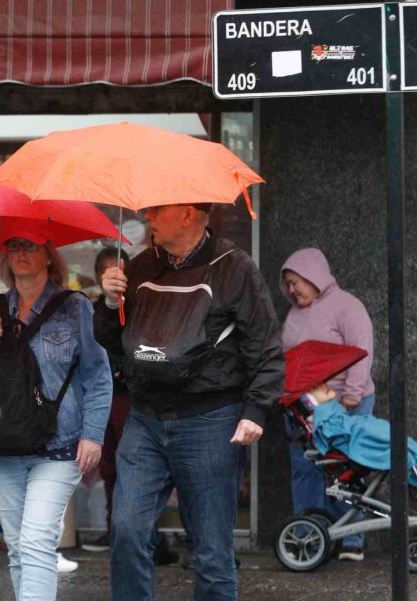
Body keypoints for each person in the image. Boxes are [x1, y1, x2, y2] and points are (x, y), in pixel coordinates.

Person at [96, 204, 284, 601]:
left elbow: (265, 346)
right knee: (126, 531)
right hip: (144, 418)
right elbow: (114, 343)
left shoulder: (236, 268)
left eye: (157, 209)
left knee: (212, 551)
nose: (147, 216)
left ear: (186, 214)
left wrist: (256, 410)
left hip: (210, 420)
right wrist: (110, 304)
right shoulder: (142, 267)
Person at [0, 233, 112, 601]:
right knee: (17, 547)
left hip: (58, 443)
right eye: (13, 246)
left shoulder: (75, 306)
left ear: (48, 255)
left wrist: (93, 434)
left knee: (36, 541)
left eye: (31, 246)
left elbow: (98, 375)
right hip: (4, 444)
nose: (21, 253)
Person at [81, 247, 179, 566]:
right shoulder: (96, 309)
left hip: (129, 396)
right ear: (99, 276)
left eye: (120, 270)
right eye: (108, 271)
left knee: (135, 470)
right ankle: (115, 529)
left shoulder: (140, 303)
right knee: (108, 467)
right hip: (101, 398)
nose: (116, 276)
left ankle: (149, 536)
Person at [280, 247, 375, 561]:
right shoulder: (294, 314)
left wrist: (353, 392)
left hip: (345, 398)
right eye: (288, 284)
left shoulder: (348, 306)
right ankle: (309, 536)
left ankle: (351, 540)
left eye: (296, 282)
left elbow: (361, 349)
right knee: (304, 466)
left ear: (314, 276)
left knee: (344, 467)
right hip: (306, 401)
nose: (292, 289)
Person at [296, 383, 417, 494]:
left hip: (362, 428)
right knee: (400, 445)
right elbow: (340, 433)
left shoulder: (331, 413)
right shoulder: (324, 419)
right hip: (361, 434)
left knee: (405, 443)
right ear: (309, 401)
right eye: (314, 387)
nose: (323, 385)